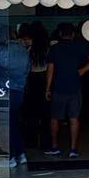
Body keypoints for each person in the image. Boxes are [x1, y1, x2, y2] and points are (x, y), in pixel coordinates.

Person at [45, 22, 89, 158]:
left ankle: (55, 146)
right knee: (74, 118)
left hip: (58, 87)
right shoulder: (79, 46)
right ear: (73, 34)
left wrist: (47, 88)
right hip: (75, 87)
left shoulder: (54, 49)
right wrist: (83, 70)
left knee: (54, 118)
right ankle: (73, 149)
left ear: (60, 34)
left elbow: (50, 70)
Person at [0, 22, 32, 167]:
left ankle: (10, 157)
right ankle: (20, 153)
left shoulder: (3, 51)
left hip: (5, 92)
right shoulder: (23, 50)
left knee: (6, 125)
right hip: (19, 91)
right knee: (14, 124)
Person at [24, 21, 51, 149]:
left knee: (32, 113)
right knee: (46, 114)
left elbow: (26, 68)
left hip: (32, 79)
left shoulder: (30, 50)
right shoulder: (48, 49)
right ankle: (46, 143)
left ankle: (31, 141)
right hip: (45, 78)